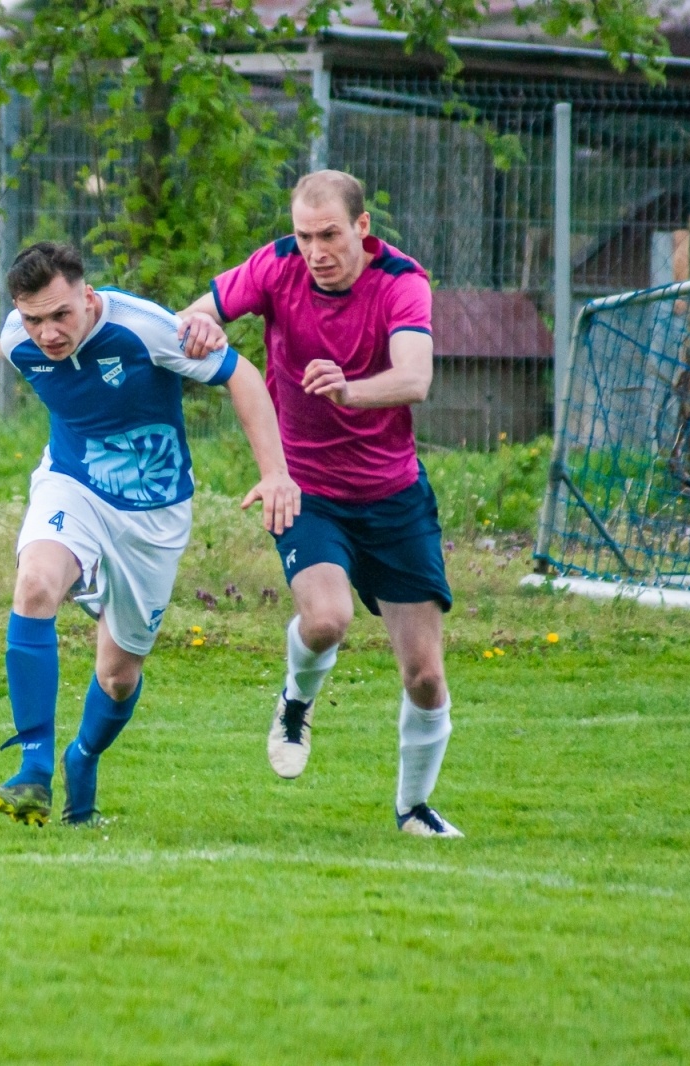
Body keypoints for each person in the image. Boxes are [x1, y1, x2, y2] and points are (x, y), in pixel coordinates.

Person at [176, 170, 464, 838]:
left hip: (393, 495)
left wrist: (349, 391)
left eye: (330, 234)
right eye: (306, 236)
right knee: (328, 619)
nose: (316, 250)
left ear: (362, 228)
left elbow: (416, 377)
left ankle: (413, 808)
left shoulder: (401, 280)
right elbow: (195, 313)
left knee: (423, 674)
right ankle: (296, 701)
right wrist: (198, 330)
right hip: (305, 489)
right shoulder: (277, 266)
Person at [0, 241, 299, 827]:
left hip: (154, 516)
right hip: (72, 484)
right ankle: (32, 769)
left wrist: (275, 473)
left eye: (60, 315)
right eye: (33, 319)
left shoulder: (145, 330)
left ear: (88, 297)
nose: (46, 332)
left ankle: (82, 758)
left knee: (119, 676)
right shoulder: (14, 343)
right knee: (35, 586)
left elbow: (243, 375)